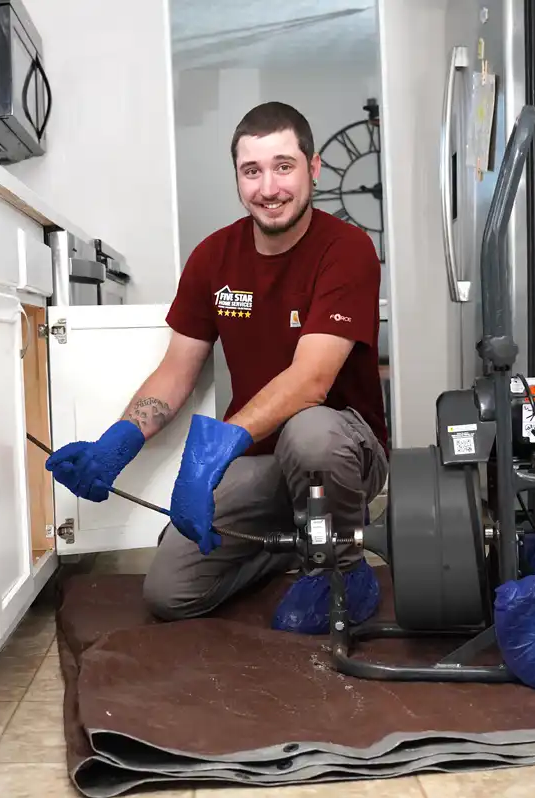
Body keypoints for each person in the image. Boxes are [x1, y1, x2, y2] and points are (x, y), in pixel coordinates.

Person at [46, 101, 389, 634]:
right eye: (252, 171)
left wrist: (210, 456)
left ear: (313, 168)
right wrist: (115, 444)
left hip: (340, 449)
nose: (268, 187)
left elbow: (312, 381)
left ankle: (343, 569)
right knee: (169, 592)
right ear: (237, 177)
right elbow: (177, 370)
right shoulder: (214, 257)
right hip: (259, 458)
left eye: (283, 166)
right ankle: (296, 544)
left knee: (310, 432)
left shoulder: (347, 249)